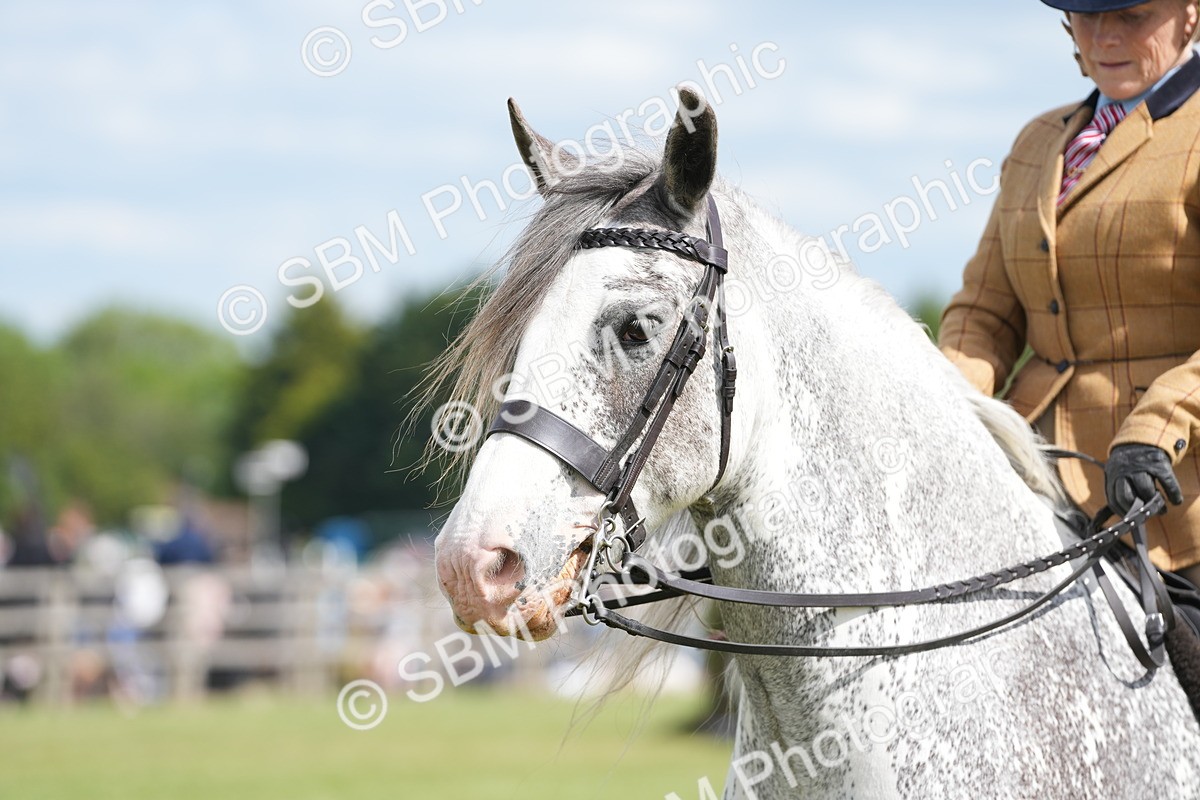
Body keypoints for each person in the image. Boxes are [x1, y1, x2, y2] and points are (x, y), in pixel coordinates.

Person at [938, 0, 1200, 587]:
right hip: (1037, 477)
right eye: (1087, 17)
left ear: (1189, 13)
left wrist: (1156, 427)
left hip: (1176, 497)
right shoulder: (1038, 143)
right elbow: (984, 314)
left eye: (1132, 16)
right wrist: (937, 405)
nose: (1105, 36)